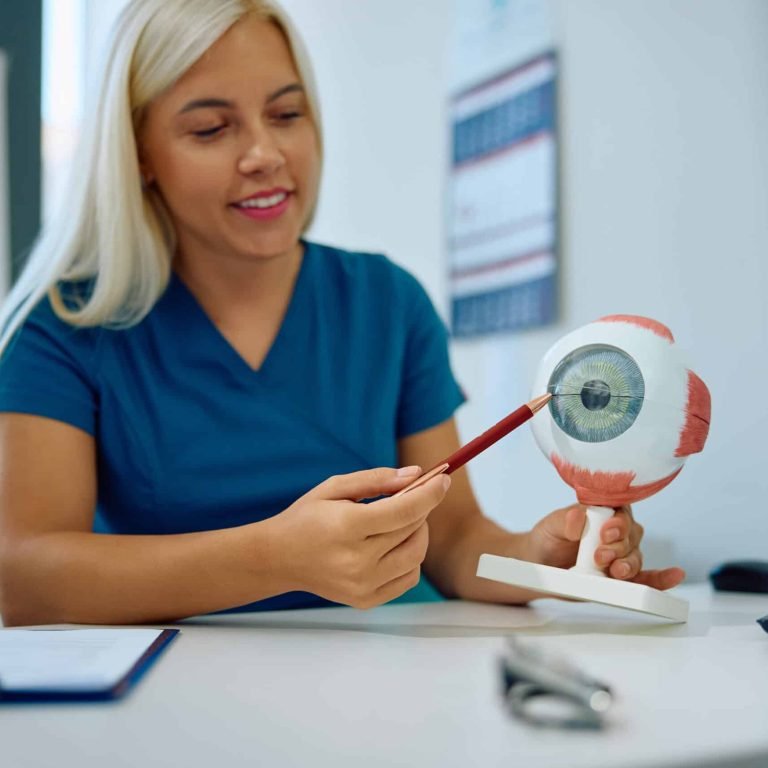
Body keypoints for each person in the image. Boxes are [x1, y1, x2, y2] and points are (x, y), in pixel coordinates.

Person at [0, 0, 683, 627]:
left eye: (287, 115)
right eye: (211, 128)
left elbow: (449, 542)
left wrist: (541, 559)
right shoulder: (62, 328)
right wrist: (274, 557)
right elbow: (22, 579)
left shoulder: (388, 303)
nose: (265, 155)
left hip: (384, 685)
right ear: (139, 154)